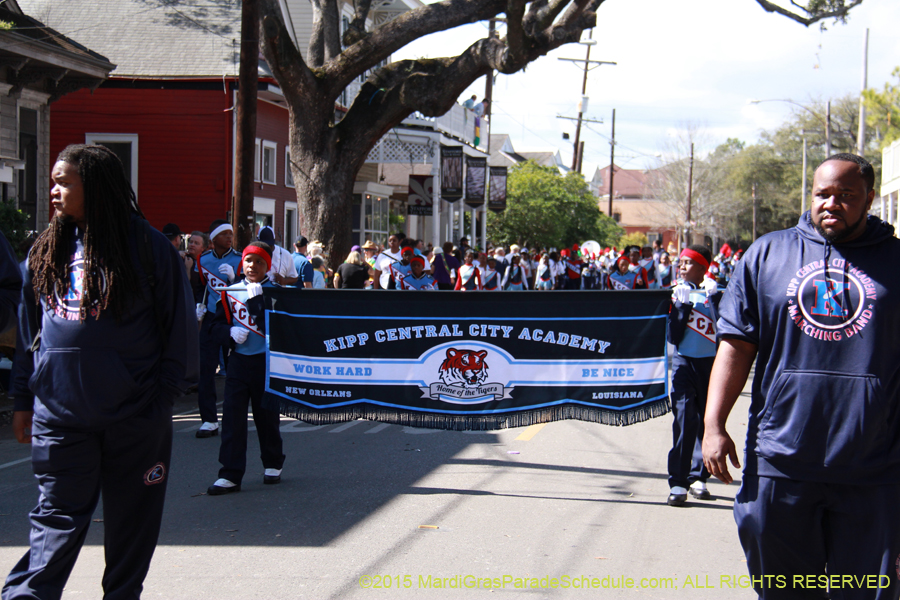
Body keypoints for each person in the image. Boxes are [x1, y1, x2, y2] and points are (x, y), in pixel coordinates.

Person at [4, 144, 198, 599]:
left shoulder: (148, 247)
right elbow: (29, 334)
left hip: (135, 416)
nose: (54, 191)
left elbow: (179, 331)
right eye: (54, 182)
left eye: (64, 183)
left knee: (132, 524)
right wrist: (23, 398)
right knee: (55, 517)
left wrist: (159, 403)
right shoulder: (46, 249)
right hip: (59, 417)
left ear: (94, 186)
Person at [703, 154, 900, 599]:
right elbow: (736, 345)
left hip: (875, 468)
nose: (832, 203)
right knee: (784, 591)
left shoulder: (895, 261)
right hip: (781, 459)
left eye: (846, 195)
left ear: (870, 198)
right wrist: (713, 424)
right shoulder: (768, 254)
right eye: (823, 194)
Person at [206, 242, 285, 495]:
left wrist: (257, 302)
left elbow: (280, 329)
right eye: (249, 261)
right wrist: (229, 332)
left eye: (259, 262)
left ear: (267, 266)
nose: (252, 266)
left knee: (267, 417)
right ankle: (230, 473)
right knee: (232, 419)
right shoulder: (230, 292)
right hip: (238, 362)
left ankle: (273, 462)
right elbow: (215, 327)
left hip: (266, 363)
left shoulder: (276, 293)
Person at [665, 245, 720, 507]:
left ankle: (700, 476)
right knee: (685, 419)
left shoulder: (717, 293)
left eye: (687, 263)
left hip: (712, 365)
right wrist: (682, 306)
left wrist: (716, 300)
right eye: (681, 263)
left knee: (706, 420)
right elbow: (673, 337)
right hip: (684, 363)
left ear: (702, 267)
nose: (682, 267)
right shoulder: (677, 292)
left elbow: (725, 332)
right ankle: (678, 481)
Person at [194, 219, 242, 438]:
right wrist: (199, 305)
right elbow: (200, 286)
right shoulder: (203, 260)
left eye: (230, 234)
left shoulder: (239, 259)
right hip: (211, 318)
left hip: (232, 319)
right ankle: (209, 419)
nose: (229, 237)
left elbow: (248, 288)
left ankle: (234, 415)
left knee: (234, 369)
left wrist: (234, 279)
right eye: (224, 234)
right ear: (213, 238)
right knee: (205, 368)